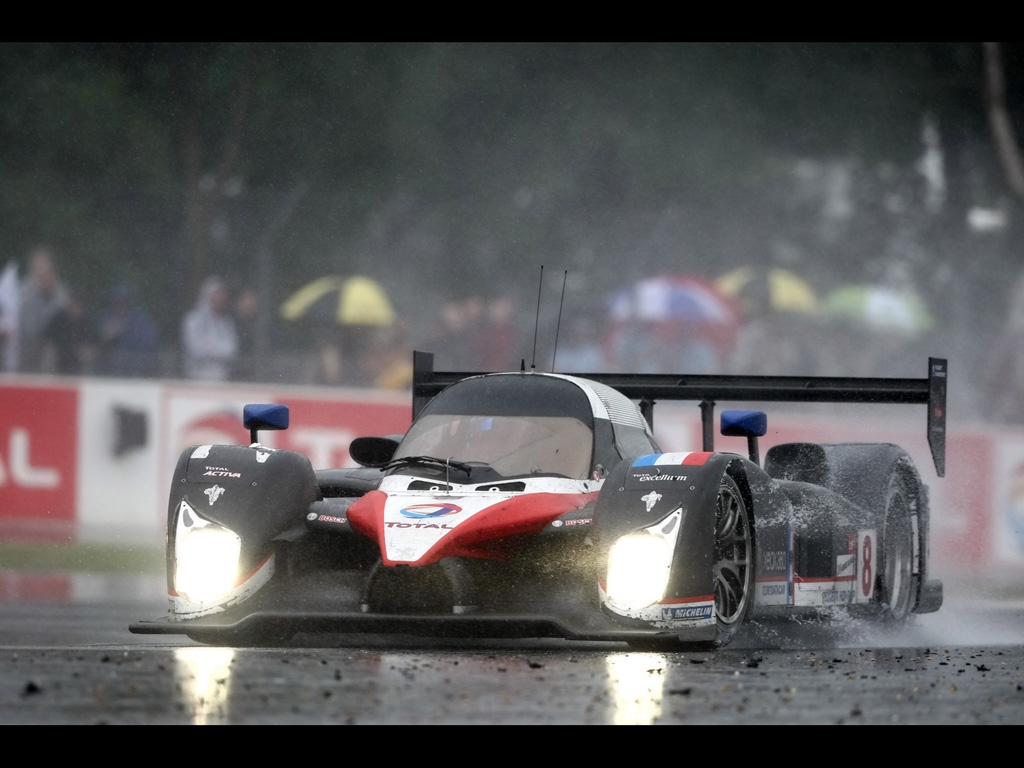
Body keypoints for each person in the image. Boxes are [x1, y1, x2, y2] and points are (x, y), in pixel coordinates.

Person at [18, 247, 70, 373]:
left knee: (47, 364)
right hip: (26, 339)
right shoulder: (23, 290)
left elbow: (62, 317)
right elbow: (21, 316)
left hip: (50, 342)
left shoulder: (60, 292)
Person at [95, 283, 161, 378]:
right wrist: (109, 336)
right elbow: (97, 345)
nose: (122, 306)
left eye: (125, 302)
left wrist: (128, 334)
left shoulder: (142, 320)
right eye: (118, 303)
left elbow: (151, 343)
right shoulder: (106, 318)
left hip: (139, 365)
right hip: (112, 369)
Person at [181, 276, 238, 381]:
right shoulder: (194, 319)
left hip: (222, 378)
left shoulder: (226, 322)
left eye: (222, 296)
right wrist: (217, 351)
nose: (220, 300)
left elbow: (231, 350)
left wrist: (211, 349)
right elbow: (195, 349)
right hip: (196, 378)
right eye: (216, 296)